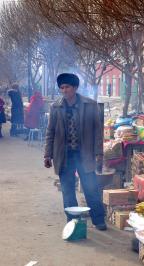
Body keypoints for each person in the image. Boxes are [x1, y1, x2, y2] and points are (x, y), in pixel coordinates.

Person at [44, 73, 106, 231]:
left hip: (84, 155)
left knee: (90, 188)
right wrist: (47, 154)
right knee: (67, 191)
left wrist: (99, 153)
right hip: (64, 156)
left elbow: (98, 131)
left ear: (75, 88)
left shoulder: (90, 105)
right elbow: (50, 131)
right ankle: (73, 221)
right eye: (62, 88)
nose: (64, 90)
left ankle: (98, 220)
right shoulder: (55, 106)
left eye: (67, 87)